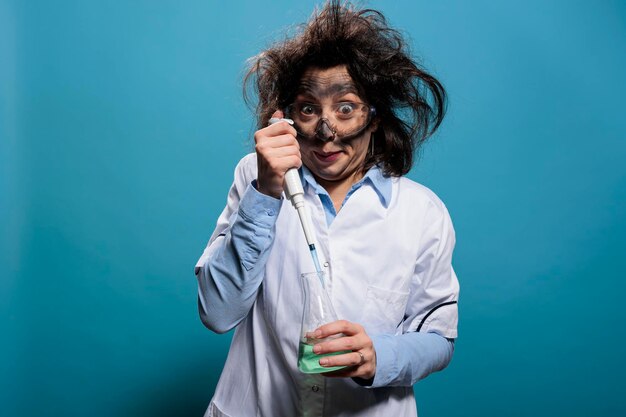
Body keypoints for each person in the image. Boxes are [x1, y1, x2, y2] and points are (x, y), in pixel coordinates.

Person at [194, 2, 459, 416]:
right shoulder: (256, 177)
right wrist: (265, 191)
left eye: (346, 108)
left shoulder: (422, 213)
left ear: (375, 117)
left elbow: (438, 337)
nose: (325, 133)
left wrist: (380, 356)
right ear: (287, 116)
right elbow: (216, 310)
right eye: (309, 108)